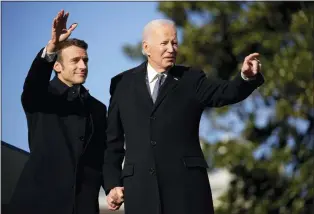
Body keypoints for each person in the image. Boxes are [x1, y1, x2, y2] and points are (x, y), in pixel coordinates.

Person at [103, 19, 264, 214]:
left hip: (187, 191)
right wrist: (112, 184)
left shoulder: (192, 79)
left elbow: (227, 92)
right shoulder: (122, 84)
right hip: (140, 191)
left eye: (174, 43)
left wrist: (246, 77)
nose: (171, 49)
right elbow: (112, 142)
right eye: (164, 43)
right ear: (146, 47)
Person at [9, 10, 108, 214]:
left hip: (83, 206)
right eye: (75, 61)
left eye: (85, 60)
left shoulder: (98, 108)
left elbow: (102, 157)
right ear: (57, 65)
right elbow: (34, 82)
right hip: (38, 204)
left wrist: (112, 187)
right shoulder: (41, 97)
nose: (83, 66)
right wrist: (52, 46)